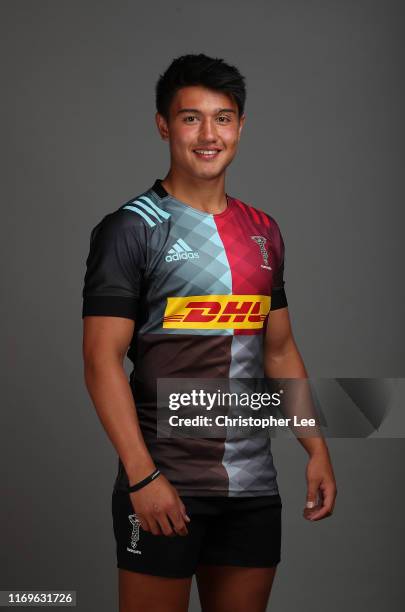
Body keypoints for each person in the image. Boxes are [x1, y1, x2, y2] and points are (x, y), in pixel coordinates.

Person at [82, 53, 337, 612]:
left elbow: (280, 349)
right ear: (163, 125)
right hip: (162, 478)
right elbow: (102, 361)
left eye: (222, 118)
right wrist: (143, 477)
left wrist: (315, 448)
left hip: (252, 489)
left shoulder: (264, 231)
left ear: (240, 126)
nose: (208, 134)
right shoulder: (130, 230)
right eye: (190, 117)